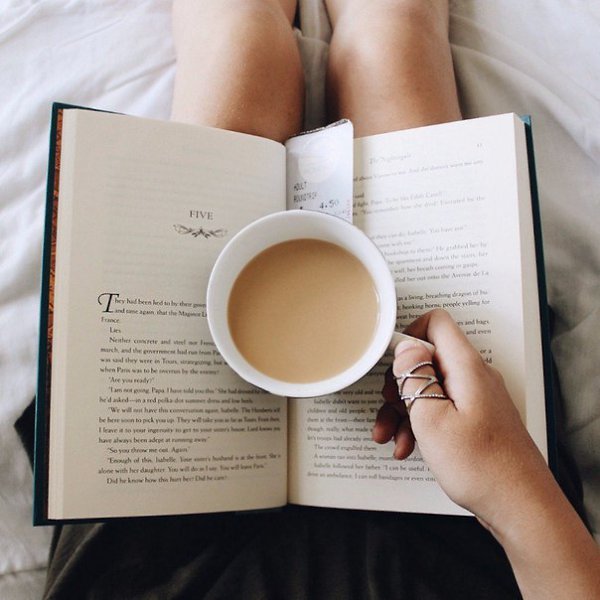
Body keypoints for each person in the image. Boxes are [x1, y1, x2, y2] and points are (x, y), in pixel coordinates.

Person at [43, 1, 600, 598]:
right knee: (393, 63)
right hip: (470, 531)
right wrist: (512, 494)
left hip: (157, 545)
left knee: (237, 77)